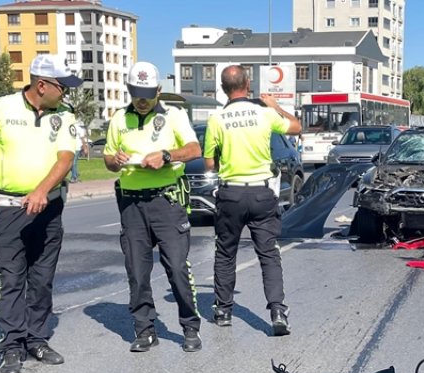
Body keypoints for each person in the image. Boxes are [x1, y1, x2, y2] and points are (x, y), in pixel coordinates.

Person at [0, 54, 82, 373]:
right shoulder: (0, 108)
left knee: (42, 278)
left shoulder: (64, 115)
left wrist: (42, 191)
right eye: (63, 87)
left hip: (48, 208)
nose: (66, 94)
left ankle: (37, 338)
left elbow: (64, 158)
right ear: (41, 84)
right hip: (8, 209)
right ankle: (13, 344)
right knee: (13, 278)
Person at [103, 61, 203, 353]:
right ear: (129, 90)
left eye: (148, 93)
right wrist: (116, 160)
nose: (142, 100)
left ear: (159, 90)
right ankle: (145, 329)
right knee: (136, 270)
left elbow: (194, 149)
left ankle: (189, 326)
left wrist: (167, 155)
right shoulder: (119, 118)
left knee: (176, 266)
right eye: (137, 93)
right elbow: (108, 159)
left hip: (166, 200)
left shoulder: (174, 115)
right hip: (132, 203)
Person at [202, 65, 302, 336]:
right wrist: (276, 106)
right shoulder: (264, 113)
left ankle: (223, 310)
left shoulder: (216, 119)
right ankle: (278, 311)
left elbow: (210, 163)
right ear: (248, 83)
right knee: (268, 254)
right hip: (261, 193)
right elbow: (296, 127)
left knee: (225, 253)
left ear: (223, 88)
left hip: (231, 194)